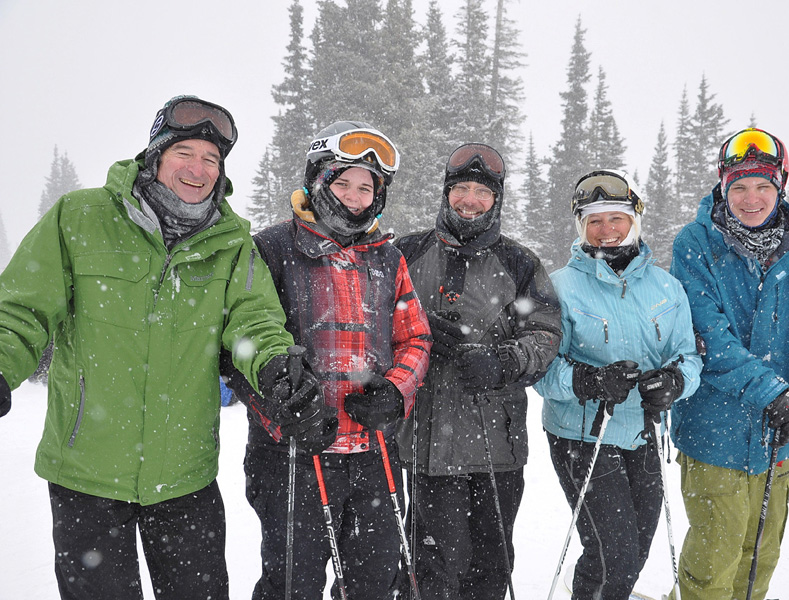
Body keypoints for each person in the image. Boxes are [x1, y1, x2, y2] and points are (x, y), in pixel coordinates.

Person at [0, 95, 323, 599]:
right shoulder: (80, 217)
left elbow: (254, 320)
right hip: (86, 474)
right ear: (155, 155)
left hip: (185, 478)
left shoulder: (232, 241)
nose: (198, 169)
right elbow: (23, 308)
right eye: (184, 153)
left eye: (211, 159)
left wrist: (275, 366)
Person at [222, 121, 432, 600]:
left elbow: (415, 336)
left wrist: (395, 391)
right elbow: (238, 347)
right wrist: (283, 409)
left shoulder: (387, 258)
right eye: (343, 184)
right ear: (318, 181)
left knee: (374, 584)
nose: (355, 198)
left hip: (374, 454)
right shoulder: (273, 248)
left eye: (366, 188)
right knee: (292, 586)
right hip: (293, 454)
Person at [668, 127, 789, 600]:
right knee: (714, 560)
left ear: (781, 186)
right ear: (723, 187)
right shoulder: (697, 242)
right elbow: (709, 338)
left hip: (777, 437)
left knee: (759, 560)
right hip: (714, 431)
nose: (750, 199)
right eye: (739, 187)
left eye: (762, 186)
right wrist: (774, 394)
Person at [393, 143, 562, 599]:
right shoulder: (406, 252)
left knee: (490, 567)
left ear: (496, 200)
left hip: (496, 444)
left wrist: (504, 361)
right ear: (446, 193)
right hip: (424, 441)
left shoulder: (520, 262)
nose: (470, 200)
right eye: (461, 189)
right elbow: (375, 319)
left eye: (482, 192)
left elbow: (546, 333)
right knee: (430, 569)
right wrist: (417, 330)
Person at [534, 170, 702, 600]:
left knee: (635, 550)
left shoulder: (666, 287)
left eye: (616, 218)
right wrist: (590, 381)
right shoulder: (560, 286)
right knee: (616, 554)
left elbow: (688, 356)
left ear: (634, 221)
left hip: (643, 433)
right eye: (594, 220)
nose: (606, 229)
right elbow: (542, 372)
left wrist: (675, 382)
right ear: (581, 227)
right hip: (582, 435)